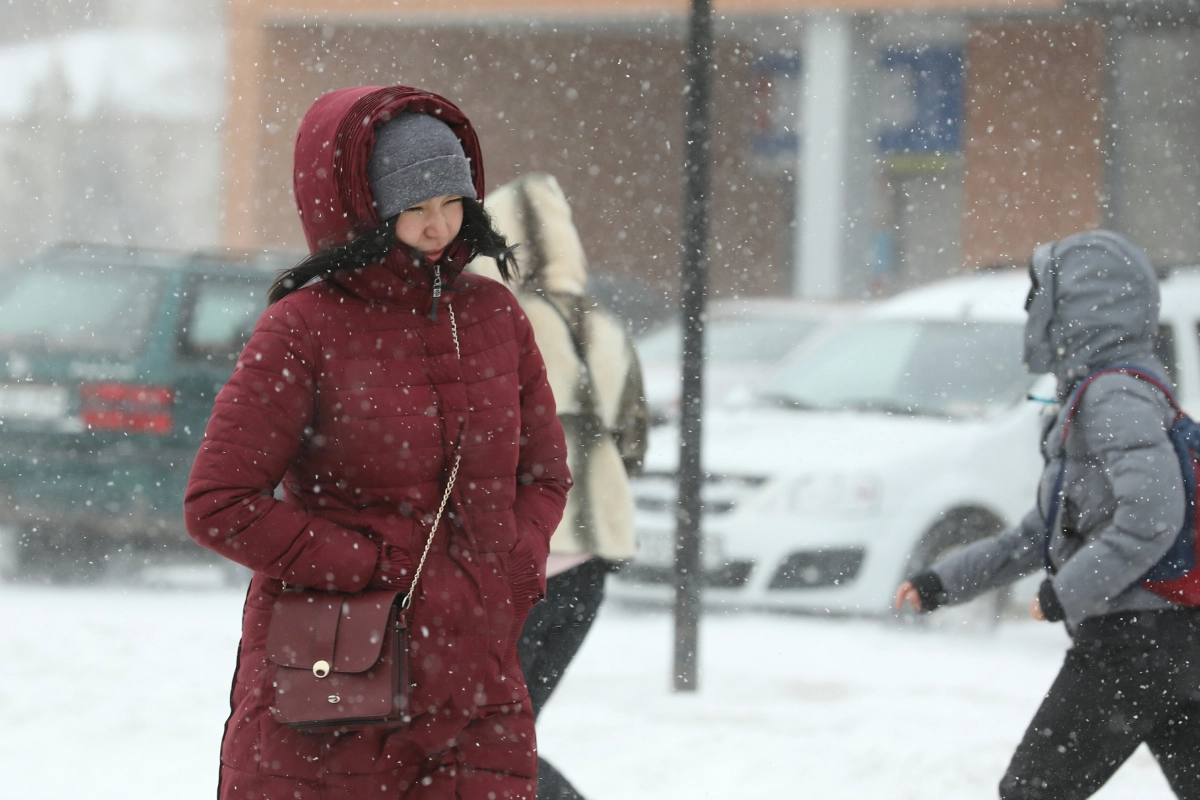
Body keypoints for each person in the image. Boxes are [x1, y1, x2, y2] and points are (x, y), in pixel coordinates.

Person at [183, 86, 572, 800]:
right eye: (414, 207)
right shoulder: (303, 328)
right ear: (362, 209)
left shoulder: (494, 314)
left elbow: (545, 473)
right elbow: (220, 503)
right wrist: (369, 564)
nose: (437, 226)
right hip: (338, 672)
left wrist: (513, 573)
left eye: (451, 203)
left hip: (480, 681)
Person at [894, 229, 1200, 799]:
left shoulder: (1115, 396)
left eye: (1044, 294)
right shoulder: (1099, 394)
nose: (1035, 310)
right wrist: (941, 583)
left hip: (1133, 641)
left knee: (1034, 793)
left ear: (1082, 308)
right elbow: (1040, 536)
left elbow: (1155, 512)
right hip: (1174, 641)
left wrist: (1070, 590)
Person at [468, 173, 648, 800]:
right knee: (503, 736)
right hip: (588, 565)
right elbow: (633, 445)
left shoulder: (488, 326)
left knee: (474, 740)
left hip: (511, 565)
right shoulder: (609, 330)